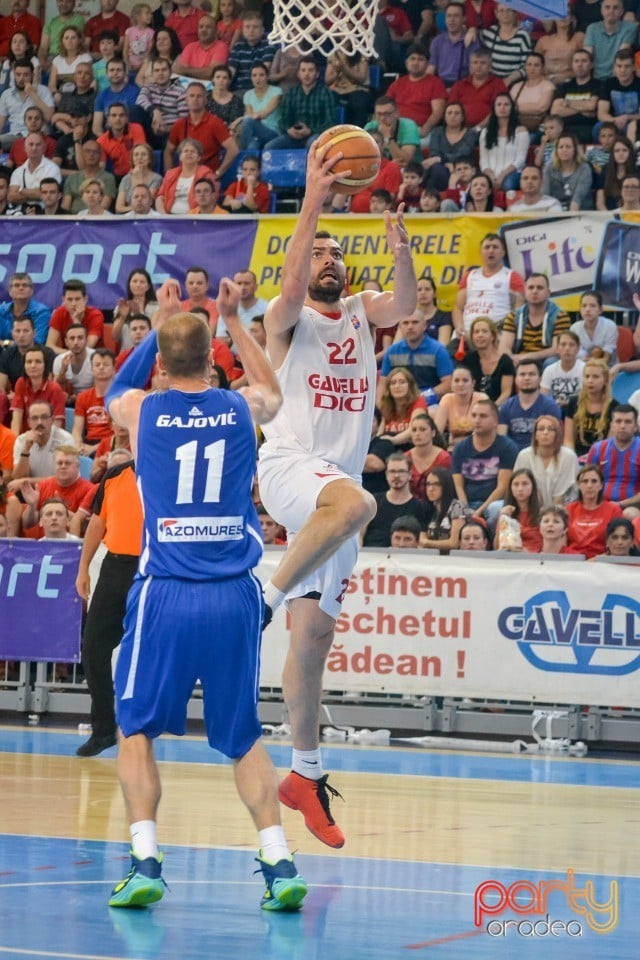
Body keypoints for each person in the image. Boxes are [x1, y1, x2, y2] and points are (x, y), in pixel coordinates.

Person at [104, 275, 307, 912]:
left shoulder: (144, 411)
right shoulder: (244, 408)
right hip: (233, 595)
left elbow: (115, 392)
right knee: (244, 736)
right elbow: (272, 389)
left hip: (166, 593)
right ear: (214, 359)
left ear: (162, 364)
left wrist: (157, 325)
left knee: (134, 727)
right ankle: (277, 860)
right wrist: (235, 318)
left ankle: (144, 860)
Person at [257, 143, 417, 848]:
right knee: (358, 505)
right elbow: (289, 288)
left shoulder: (358, 308)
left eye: (333, 254)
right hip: (294, 468)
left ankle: (304, 774)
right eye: (317, 253)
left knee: (314, 641)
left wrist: (403, 249)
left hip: (333, 490)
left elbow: (407, 303)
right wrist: (314, 199)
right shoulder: (283, 320)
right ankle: (258, 599)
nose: (327, 261)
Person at [75, 450, 141, 757]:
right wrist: (83, 568)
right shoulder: (115, 476)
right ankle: (104, 729)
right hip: (115, 567)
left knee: (148, 653)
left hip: (156, 569)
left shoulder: (171, 470)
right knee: (93, 649)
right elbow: (96, 523)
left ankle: (142, 729)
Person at [451, 398, 518, 521]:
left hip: (494, 503)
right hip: (467, 502)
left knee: (495, 510)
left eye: (483, 416)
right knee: (455, 510)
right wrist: (465, 510)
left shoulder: (508, 447)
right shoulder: (460, 448)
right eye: (474, 415)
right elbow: (459, 487)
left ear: (495, 421)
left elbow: (502, 487)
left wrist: (478, 512)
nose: (477, 420)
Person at [452, 233, 525, 344]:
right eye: (487, 247)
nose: (491, 251)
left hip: (495, 336)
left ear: (503, 253)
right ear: (481, 252)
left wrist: (503, 336)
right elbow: (458, 307)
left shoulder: (512, 277)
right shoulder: (469, 275)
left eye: (495, 247)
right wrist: (459, 327)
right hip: (465, 335)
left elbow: (517, 312)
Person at [378, 311, 454, 407]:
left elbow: (448, 384)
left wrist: (421, 397)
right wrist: (381, 408)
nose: (410, 327)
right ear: (400, 327)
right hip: (398, 403)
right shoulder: (392, 351)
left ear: (424, 325)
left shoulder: (438, 350)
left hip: (429, 404)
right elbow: (383, 384)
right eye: (405, 323)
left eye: (415, 322)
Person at [164, 81, 237, 178]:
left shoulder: (215, 122)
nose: (195, 99)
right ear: (186, 99)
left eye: (199, 96)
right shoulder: (179, 124)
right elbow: (168, 151)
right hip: (184, 177)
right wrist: (171, 175)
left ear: (206, 100)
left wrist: (218, 173)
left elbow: (233, 149)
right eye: (192, 96)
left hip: (206, 179)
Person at [264, 56, 336, 151]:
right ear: (298, 74)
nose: (306, 74)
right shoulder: (292, 93)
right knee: (269, 147)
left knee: (311, 144)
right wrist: (289, 130)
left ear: (317, 74)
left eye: (310, 70)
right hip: (293, 136)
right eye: (303, 70)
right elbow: (283, 120)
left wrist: (310, 131)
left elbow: (330, 122)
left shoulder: (325, 92)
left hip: (316, 135)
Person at [499, 273, 571, 369]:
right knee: (503, 361)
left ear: (548, 293)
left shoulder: (560, 315)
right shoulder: (513, 316)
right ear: (525, 291)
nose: (534, 291)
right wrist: (512, 359)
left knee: (552, 362)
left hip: (545, 360)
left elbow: (557, 349)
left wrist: (526, 357)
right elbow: (503, 347)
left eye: (540, 288)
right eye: (530, 288)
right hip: (518, 360)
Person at [362, 451, 432, 546]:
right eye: (392, 471)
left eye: (401, 471)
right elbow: (359, 535)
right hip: (371, 557)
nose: (396, 476)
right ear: (386, 474)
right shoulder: (372, 502)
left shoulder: (421, 507)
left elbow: (422, 542)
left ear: (410, 474)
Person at [385, 45, 446, 147]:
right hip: (396, 129)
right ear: (406, 62)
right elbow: (385, 107)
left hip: (421, 131)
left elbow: (437, 112)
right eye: (412, 59)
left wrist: (424, 130)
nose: (415, 63)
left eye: (420, 59)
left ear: (427, 63)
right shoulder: (397, 83)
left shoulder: (435, 83)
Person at [514, 414, 579, 507]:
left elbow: (562, 495)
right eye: (541, 429)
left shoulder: (568, 456)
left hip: (562, 510)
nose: (545, 432)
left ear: (558, 433)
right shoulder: (524, 455)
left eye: (550, 429)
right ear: (535, 435)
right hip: (530, 508)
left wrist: (550, 517)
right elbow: (519, 487)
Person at [498, 360, 562, 452]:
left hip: (541, 453)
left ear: (540, 379)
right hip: (513, 455)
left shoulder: (550, 407)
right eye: (522, 374)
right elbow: (502, 439)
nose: (527, 378)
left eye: (531, 374)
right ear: (515, 379)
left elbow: (554, 439)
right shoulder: (506, 406)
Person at [586, 403, 640, 510]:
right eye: (618, 421)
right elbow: (587, 482)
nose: (623, 426)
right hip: (599, 504)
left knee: (629, 513)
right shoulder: (597, 449)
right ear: (611, 425)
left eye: (628, 422)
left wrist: (620, 504)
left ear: (635, 427)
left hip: (633, 506)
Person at [564, 357, 616, 461]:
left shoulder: (614, 407)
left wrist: (591, 458)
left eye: (595, 377)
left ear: (605, 380)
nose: (590, 381)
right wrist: (573, 458)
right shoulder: (574, 402)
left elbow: (611, 444)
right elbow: (568, 440)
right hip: (576, 456)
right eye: (587, 376)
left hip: (602, 457)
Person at [566, 463, 623, 557]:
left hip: (602, 562)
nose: (589, 485)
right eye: (585, 481)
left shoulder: (614, 510)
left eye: (594, 481)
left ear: (601, 485)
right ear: (579, 485)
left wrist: (593, 561)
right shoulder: (568, 509)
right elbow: (562, 544)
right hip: (572, 561)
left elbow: (617, 544)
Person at [10, 344, 66, 435]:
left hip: (50, 438)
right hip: (27, 437)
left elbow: (56, 426)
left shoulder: (55, 388)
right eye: (29, 361)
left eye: (38, 361)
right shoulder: (21, 383)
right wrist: (14, 443)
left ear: (45, 365)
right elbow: (16, 418)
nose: (33, 365)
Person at [11, 399, 74, 479]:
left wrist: (31, 482)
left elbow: (66, 478)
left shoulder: (65, 439)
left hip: (59, 490)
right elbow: (18, 478)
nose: (39, 422)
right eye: (34, 418)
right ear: (28, 422)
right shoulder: (21, 440)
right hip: (30, 490)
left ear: (52, 420)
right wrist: (26, 450)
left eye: (44, 417)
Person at [479, 93, 529, 192]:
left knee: (507, 184)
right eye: (499, 104)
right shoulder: (485, 132)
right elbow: (483, 160)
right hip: (490, 173)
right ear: (494, 108)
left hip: (512, 173)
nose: (502, 107)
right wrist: (490, 175)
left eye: (506, 104)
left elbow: (520, 160)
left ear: (512, 108)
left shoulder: (521, 131)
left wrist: (502, 175)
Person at [447, 48, 507, 129]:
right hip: (461, 129)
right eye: (475, 62)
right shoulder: (459, 85)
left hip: (488, 128)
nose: (478, 66)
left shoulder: (498, 84)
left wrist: (478, 128)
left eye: (483, 63)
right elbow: (451, 110)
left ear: (490, 66)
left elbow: (498, 111)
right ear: (470, 66)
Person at [550, 48, 600, 144]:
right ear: (572, 65)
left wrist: (567, 103)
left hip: (586, 127)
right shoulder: (564, 86)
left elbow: (591, 106)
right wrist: (583, 109)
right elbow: (555, 111)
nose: (579, 64)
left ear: (591, 65)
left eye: (584, 61)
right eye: (576, 61)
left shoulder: (598, 85)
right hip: (563, 127)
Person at [71, 349, 115, 456]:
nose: (101, 367)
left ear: (114, 368)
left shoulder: (120, 397)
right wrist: (79, 445)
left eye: (106, 364)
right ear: (91, 369)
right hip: (88, 442)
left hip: (112, 444)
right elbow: (77, 428)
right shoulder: (82, 397)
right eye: (97, 364)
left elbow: (121, 434)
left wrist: (95, 448)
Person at [427, 1, 481, 88]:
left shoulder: (472, 41)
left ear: (464, 18)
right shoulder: (437, 41)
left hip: (463, 85)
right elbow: (431, 68)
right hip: (441, 85)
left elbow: (474, 71)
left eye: (456, 16)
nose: (452, 20)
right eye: (449, 16)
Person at [464, 316, 515, 405]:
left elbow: (506, 393)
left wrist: (491, 409)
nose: (480, 335)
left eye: (484, 331)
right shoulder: (468, 360)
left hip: (499, 407)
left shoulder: (505, 361)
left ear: (492, 336)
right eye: (476, 332)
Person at [46, 279, 105, 355]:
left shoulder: (96, 315)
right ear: (63, 300)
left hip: (94, 359)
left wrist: (76, 320)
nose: (73, 303)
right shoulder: (59, 312)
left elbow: (86, 347)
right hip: (68, 358)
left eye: (77, 299)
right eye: (69, 299)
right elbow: (49, 346)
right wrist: (69, 354)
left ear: (85, 299)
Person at [419, 465, 469, 550]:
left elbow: (454, 543)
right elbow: (422, 538)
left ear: (446, 486)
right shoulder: (428, 508)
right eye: (428, 484)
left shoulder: (458, 506)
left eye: (437, 484)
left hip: (453, 558)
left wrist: (427, 543)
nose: (430, 489)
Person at [583, 0, 636, 80]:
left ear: (622, 11)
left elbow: (621, 57)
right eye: (607, 7)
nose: (611, 11)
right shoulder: (592, 28)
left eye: (615, 8)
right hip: (595, 79)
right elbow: (586, 57)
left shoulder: (630, 28)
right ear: (602, 10)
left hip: (617, 78)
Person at [480, 4, 532, 85]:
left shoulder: (522, 35)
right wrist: (471, 30)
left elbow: (527, 66)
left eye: (509, 10)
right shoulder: (489, 32)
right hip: (490, 81)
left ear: (515, 13)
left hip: (513, 82)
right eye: (501, 10)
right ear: (496, 13)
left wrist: (509, 79)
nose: (505, 13)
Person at [377, 366, 427, 450]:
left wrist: (394, 440)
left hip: (410, 445)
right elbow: (379, 432)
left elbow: (414, 428)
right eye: (393, 383)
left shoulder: (418, 401)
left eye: (402, 382)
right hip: (389, 447)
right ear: (388, 388)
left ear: (410, 385)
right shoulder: (384, 404)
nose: (397, 386)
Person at [404, 411, 451, 500]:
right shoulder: (405, 458)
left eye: (423, 429)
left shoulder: (444, 458)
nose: (417, 433)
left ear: (433, 433)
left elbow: (447, 490)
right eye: (414, 430)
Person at [542, 132, 594, 211]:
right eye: (561, 147)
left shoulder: (584, 168)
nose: (564, 150)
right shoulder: (549, 168)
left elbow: (577, 199)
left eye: (568, 147)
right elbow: (545, 195)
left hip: (580, 213)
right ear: (556, 151)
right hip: (555, 212)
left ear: (575, 150)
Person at [496, 467, 543, 552]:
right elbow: (497, 546)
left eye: (525, 484)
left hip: (535, 560)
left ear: (533, 486)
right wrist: (503, 518)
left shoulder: (542, 514)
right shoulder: (505, 513)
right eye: (516, 484)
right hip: (511, 559)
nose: (520, 488)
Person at [173, 14, 229, 80]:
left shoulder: (221, 46)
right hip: (187, 86)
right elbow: (179, 71)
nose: (203, 30)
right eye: (201, 27)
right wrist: (201, 72)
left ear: (216, 31)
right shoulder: (190, 47)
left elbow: (213, 72)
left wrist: (187, 70)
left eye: (208, 27)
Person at [0, 273, 50, 344]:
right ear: (10, 291)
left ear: (31, 291)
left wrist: (6, 343)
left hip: (31, 353)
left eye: (25, 285)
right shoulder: (1, 310)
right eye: (17, 285)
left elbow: (38, 342)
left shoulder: (41, 312)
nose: (21, 288)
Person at [570, 291, 619, 364]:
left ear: (600, 309)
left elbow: (606, 358)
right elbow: (575, 356)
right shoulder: (574, 328)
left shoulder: (610, 326)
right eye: (584, 306)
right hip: (582, 368)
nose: (587, 309)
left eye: (592, 305)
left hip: (608, 369)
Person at [540, 330, 584, 409]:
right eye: (563, 344)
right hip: (554, 409)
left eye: (571, 345)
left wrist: (568, 403)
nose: (567, 348)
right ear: (557, 349)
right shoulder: (549, 370)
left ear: (578, 349)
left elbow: (586, 398)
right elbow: (543, 397)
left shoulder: (584, 369)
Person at [535, 15, 585, 86]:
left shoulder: (579, 37)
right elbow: (534, 64)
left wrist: (566, 76)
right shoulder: (543, 40)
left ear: (572, 18)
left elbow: (585, 63)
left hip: (572, 83)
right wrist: (545, 78)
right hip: (545, 84)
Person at [115, 142, 163, 213]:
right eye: (136, 155)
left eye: (143, 154)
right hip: (129, 217)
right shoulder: (126, 179)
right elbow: (118, 208)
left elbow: (146, 203)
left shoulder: (157, 179)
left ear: (150, 159)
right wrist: (134, 209)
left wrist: (139, 177)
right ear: (132, 159)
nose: (139, 158)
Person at [52, 321, 95, 400]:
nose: (76, 342)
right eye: (72, 338)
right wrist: (63, 370)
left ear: (86, 340)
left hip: (91, 399)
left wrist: (79, 398)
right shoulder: (59, 360)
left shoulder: (96, 358)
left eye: (80, 338)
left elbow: (101, 389)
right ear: (66, 342)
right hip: (68, 402)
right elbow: (56, 388)